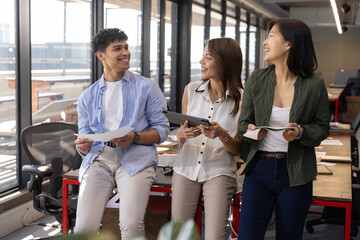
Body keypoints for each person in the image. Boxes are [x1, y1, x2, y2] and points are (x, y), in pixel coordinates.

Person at [237, 18, 330, 240]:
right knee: (248, 236)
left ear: (288, 44)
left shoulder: (314, 83)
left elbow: (322, 128)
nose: (265, 42)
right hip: (258, 169)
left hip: (296, 173)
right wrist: (251, 131)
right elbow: (242, 126)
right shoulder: (257, 79)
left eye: (271, 35)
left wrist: (301, 133)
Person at [73, 28, 169, 239]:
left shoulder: (147, 87)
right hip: (99, 159)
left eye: (126, 47)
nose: (125, 52)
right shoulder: (87, 97)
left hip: (136, 158)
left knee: (131, 225)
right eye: (117, 48)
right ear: (101, 56)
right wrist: (83, 146)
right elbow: (84, 134)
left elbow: (162, 130)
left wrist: (134, 137)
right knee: (83, 229)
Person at [171, 38, 243, 240]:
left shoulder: (243, 99)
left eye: (207, 57)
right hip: (185, 167)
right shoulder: (191, 90)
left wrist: (222, 135)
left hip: (219, 171)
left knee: (215, 237)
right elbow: (181, 135)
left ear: (224, 62)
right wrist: (181, 135)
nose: (201, 62)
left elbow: (238, 150)